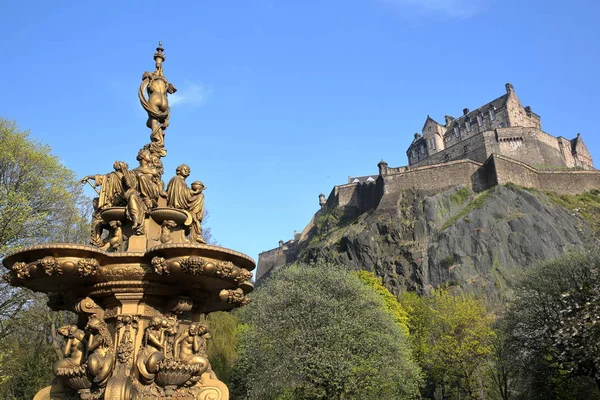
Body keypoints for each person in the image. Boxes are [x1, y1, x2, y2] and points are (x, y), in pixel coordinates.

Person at [166, 165, 206, 243]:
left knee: (200, 196)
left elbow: (184, 191)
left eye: (188, 170)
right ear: (179, 170)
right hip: (178, 203)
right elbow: (182, 193)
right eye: (185, 169)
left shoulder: (182, 181)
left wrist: (196, 192)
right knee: (200, 196)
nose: (187, 171)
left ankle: (196, 226)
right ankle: (195, 220)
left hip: (184, 200)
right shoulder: (177, 179)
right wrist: (194, 192)